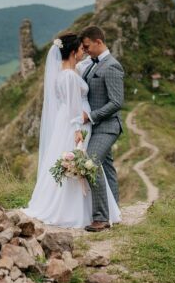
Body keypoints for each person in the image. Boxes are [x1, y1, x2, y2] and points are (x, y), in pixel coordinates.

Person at [23, 33, 121, 228]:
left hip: (74, 121)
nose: (83, 51)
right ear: (73, 51)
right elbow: (72, 106)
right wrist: (77, 130)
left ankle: (104, 211)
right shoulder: (68, 75)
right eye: (80, 49)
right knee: (86, 163)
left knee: (97, 164)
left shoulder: (69, 71)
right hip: (76, 123)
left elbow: (87, 68)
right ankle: (83, 212)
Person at [78, 26, 125, 232]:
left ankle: (101, 218)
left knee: (90, 162)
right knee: (107, 168)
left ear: (98, 42)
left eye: (87, 46)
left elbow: (116, 102)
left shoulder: (112, 66)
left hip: (107, 126)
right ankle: (114, 211)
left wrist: (91, 116)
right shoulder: (91, 65)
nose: (85, 50)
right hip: (95, 128)